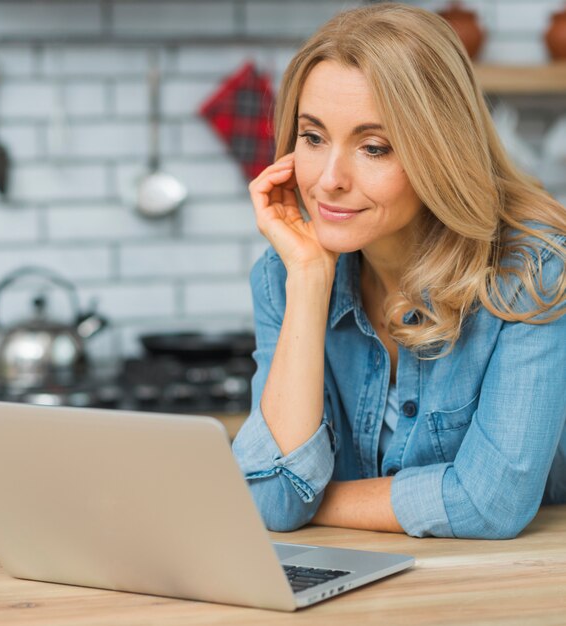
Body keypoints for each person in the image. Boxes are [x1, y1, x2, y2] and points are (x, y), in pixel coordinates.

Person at [231, 2, 566, 540]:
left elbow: (492, 503)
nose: (329, 180)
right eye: (313, 138)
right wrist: (311, 283)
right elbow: (272, 503)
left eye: (374, 147)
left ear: (440, 152)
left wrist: (313, 498)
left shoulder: (530, 273)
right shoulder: (285, 274)